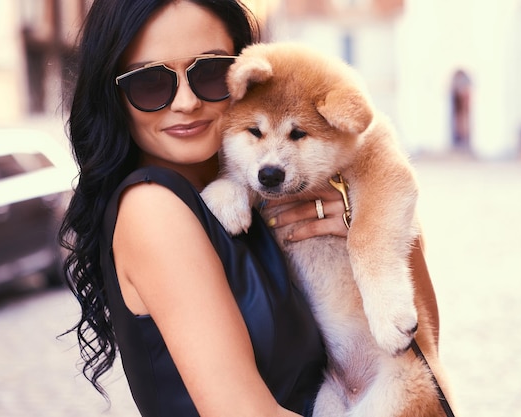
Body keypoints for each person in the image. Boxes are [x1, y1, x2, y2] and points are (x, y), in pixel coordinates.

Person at [59, 1, 440, 416]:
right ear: (115, 95)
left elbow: (421, 343)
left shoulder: (253, 188)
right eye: (150, 83)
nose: (186, 102)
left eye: (209, 73)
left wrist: (369, 225)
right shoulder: (153, 209)